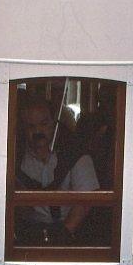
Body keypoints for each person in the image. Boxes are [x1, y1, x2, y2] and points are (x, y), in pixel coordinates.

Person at [15, 97, 99, 245]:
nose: (38, 131)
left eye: (43, 123)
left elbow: (86, 200)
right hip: (28, 233)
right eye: (31, 126)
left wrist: (65, 233)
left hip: (68, 234)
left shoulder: (75, 152)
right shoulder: (16, 154)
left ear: (54, 122)